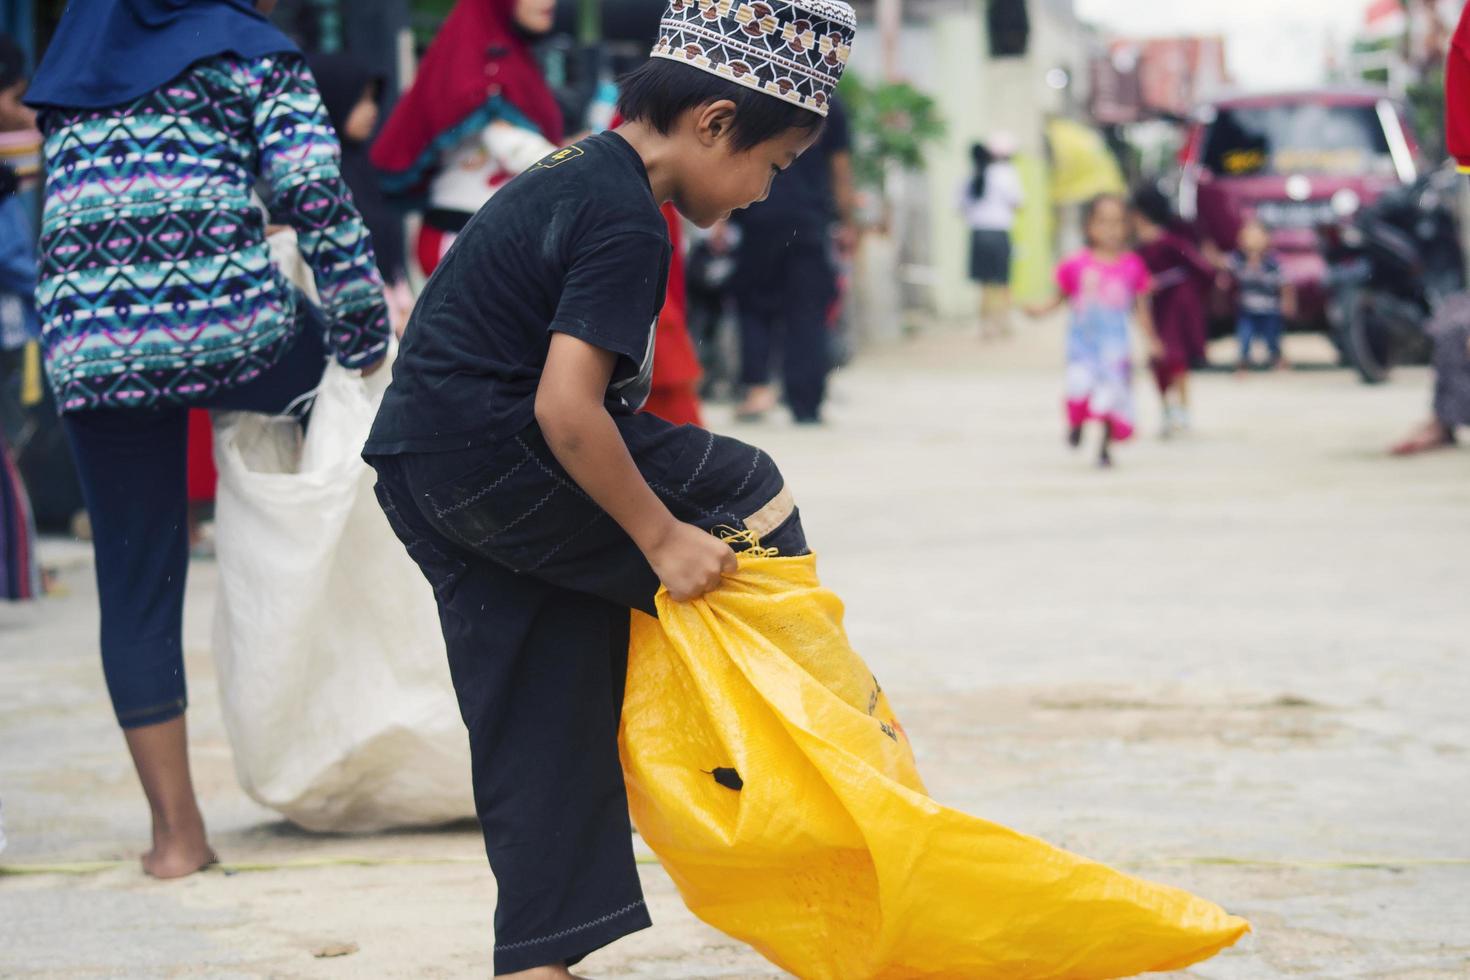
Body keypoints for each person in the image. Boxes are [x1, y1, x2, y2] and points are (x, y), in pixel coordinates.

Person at [362, 0, 856, 973]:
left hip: (421, 466)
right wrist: (664, 536)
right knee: (739, 485)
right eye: (772, 165)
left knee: (545, 696)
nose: (763, 193)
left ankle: (540, 952)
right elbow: (569, 411)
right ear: (715, 121)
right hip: (496, 453)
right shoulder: (629, 217)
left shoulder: (575, 169)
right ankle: (827, 752)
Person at [26, 0, 389, 879]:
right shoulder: (256, 52)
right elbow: (314, 195)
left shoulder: (73, 59)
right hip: (234, 329)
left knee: (135, 576)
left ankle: (176, 838)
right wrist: (365, 332)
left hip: (91, 346)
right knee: (361, 419)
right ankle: (348, 688)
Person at [371, 0, 561, 279]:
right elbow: (511, 144)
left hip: (486, 237)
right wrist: (583, 161)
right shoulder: (486, 63)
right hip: (461, 238)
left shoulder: (510, 55)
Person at [728, 92, 855, 425]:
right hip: (808, 221)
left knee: (754, 304)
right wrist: (848, 223)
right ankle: (806, 401)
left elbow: (733, 153)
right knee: (808, 311)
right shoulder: (828, 102)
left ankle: (757, 391)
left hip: (757, 214)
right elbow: (840, 169)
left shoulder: (755, 91)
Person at [1027, 194, 1160, 468]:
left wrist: (1152, 340)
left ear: (1128, 226)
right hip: (1082, 347)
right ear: (1088, 226)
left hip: (1115, 350)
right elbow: (1060, 297)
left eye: (1117, 222)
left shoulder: (1133, 266)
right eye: (1102, 222)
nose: (1110, 229)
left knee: (1112, 396)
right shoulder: (1075, 265)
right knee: (1080, 387)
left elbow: (1141, 308)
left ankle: (1104, 449)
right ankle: (1077, 424)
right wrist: (1040, 311)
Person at [306, 50, 412, 331]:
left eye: (373, 98)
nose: (372, 109)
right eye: (361, 99)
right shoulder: (320, 179)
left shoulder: (362, 167)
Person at [1130, 184, 1214, 437]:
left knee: (1176, 358)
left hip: (1177, 307)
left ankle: (1183, 410)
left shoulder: (1170, 242)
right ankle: (1167, 409)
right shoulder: (1137, 250)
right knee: (1159, 361)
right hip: (1154, 308)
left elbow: (1202, 270)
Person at [959, 133, 1024, 340]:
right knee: (1004, 281)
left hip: (978, 233)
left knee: (984, 285)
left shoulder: (971, 176)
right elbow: (1018, 202)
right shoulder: (1007, 174)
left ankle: (985, 327)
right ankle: (1005, 324)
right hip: (999, 232)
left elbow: (961, 207)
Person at [1226, 217, 1294, 372]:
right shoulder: (1238, 260)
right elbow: (1224, 268)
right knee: (1244, 336)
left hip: (1269, 309)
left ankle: (1277, 358)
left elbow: (1285, 284)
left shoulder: (1272, 263)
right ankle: (1243, 361)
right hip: (1247, 309)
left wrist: (1287, 302)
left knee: (1272, 336)